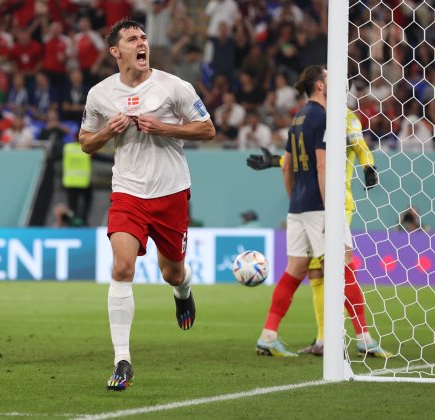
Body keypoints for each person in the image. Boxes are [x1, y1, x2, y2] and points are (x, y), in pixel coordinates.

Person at [78, 19, 215, 390]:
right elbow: (86, 142)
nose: (142, 43)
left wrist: (164, 127)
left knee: (172, 272)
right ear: (115, 51)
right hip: (127, 192)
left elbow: (207, 128)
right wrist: (108, 130)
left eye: (143, 38)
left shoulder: (174, 86)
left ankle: (183, 292)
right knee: (122, 266)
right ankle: (122, 360)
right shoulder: (100, 94)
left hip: (171, 193)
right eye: (132, 39)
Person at [245, 65, 390, 358]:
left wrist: (294, 201)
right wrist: (329, 210)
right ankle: (363, 337)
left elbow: (287, 165)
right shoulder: (325, 118)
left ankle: (269, 335)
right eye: (329, 77)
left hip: (298, 207)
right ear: (320, 86)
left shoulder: (297, 118)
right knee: (345, 263)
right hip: (322, 206)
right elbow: (323, 165)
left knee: (297, 269)